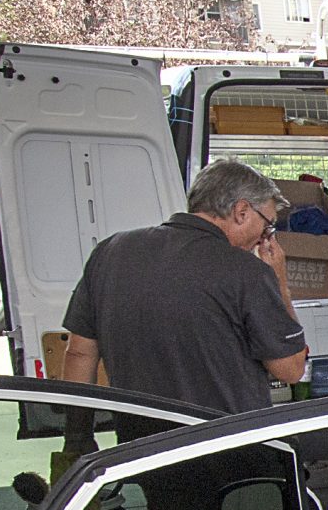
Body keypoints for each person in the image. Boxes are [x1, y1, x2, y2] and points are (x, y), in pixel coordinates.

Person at [57, 159, 308, 418]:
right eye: (267, 225)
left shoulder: (110, 252)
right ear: (242, 211)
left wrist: (77, 438)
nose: (264, 237)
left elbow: (79, 352)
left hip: (141, 447)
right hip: (228, 446)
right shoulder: (246, 271)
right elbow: (290, 370)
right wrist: (279, 282)